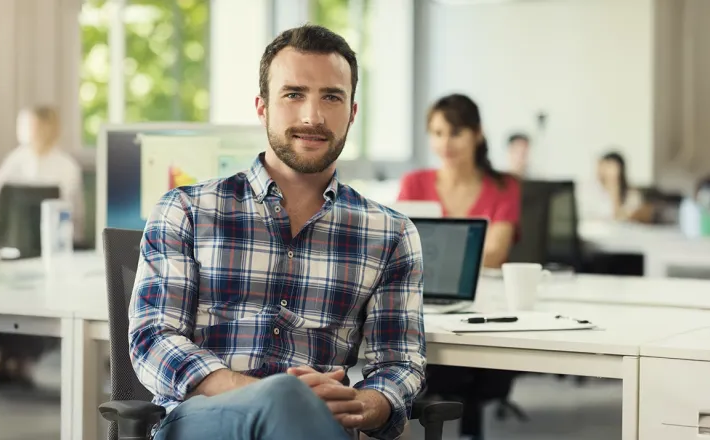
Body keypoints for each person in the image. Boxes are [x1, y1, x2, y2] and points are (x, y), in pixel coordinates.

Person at [129, 25, 426, 440]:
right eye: (293, 94)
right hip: (203, 419)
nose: (313, 116)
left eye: (331, 97)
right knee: (286, 398)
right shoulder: (186, 210)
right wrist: (271, 394)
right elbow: (153, 340)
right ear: (262, 106)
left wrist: (365, 404)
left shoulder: (391, 234)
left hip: (321, 424)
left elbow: (400, 364)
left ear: (352, 112)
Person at [0, 106, 82, 390]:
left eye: (33, 126)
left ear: (49, 128)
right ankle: (1, 353)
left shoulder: (66, 166)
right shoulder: (15, 161)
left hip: (51, 246)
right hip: (14, 244)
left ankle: (23, 359)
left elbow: (73, 216)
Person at [397, 94, 521, 269]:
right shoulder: (413, 183)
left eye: (456, 133)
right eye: (438, 133)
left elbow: (494, 254)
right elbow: (400, 249)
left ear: (477, 134)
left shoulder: (505, 186)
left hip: (486, 289)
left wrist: (435, 261)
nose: (446, 143)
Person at [0, 105, 85, 241]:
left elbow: (72, 212)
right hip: (17, 235)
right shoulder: (15, 159)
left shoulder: (67, 166)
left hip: (57, 238)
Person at [593, 151, 653, 222]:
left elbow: (621, 219)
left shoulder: (632, 195)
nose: (606, 172)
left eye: (610, 167)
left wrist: (614, 194)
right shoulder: (593, 191)